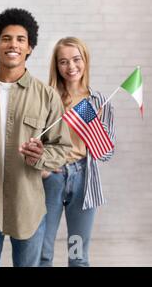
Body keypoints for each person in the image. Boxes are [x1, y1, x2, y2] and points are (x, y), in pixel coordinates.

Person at [0, 8, 72, 267]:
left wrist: (42, 157)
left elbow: (61, 147)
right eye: (6, 38)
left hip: (28, 206)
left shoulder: (47, 96)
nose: (12, 44)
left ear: (30, 48)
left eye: (20, 39)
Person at [40, 37, 116, 267]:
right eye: (63, 61)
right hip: (51, 178)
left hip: (84, 178)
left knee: (78, 253)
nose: (71, 67)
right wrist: (43, 168)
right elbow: (34, 139)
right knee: (43, 251)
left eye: (76, 59)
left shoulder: (98, 101)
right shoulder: (47, 98)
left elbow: (106, 153)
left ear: (85, 61)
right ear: (56, 65)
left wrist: (97, 125)